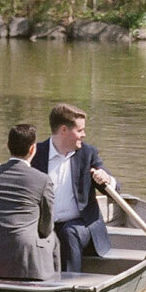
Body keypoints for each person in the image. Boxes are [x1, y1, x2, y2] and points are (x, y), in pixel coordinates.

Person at [31, 104, 115, 274]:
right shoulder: (35, 153)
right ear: (64, 130)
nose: (84, 135)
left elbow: (115, 189)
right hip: (44, 225)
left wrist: (106, 179)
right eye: (80, 130)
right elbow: (17, 175)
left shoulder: (88, 153)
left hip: (82, 226)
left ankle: (70, 286)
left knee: (69, 233)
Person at [0, 123, 56, 281]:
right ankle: (52, 282)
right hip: (23, 256)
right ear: (32, 149)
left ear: (8, 146)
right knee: (53, 238)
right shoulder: (43, 180)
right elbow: (46, 227)